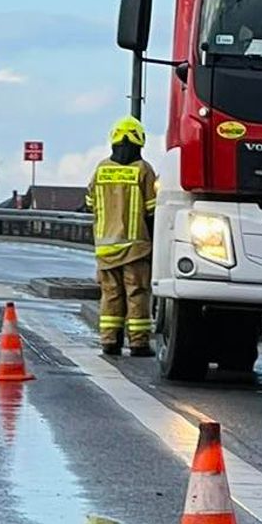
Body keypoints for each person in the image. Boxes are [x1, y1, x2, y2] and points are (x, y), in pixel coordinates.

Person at [87, 116, 159, 357]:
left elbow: (90, 203)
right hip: (135, 247)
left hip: (106, 247)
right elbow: (152, 209)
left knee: (110, 295)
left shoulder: (101, 169)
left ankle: (110, 341)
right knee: (137, 293)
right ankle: (138, 343)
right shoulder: (143, 170)